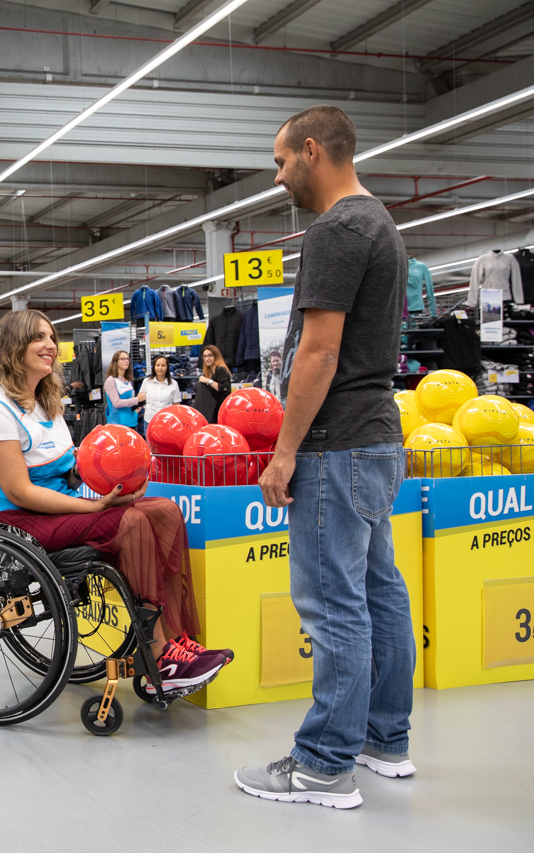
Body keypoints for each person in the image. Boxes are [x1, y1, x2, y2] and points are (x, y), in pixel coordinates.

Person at [236, 105, 413, 809]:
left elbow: (318, 350)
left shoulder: (337, 229)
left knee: (333, 601)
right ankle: (383, 739)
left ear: (313, 150)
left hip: (336, 441)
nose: (278, 175)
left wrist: (284, 453)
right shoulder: (381, 221)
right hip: (377, 435)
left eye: (281, 161)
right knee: (378, 590)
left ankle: (322, 764)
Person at [0, 310, 229, 695]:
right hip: (14, 519)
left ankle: (177, 640)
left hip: (57, 505)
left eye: (52, 337)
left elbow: (74, 471)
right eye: (39, 337)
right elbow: (20, 491)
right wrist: (93, 507)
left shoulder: (45, 404)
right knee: (131, 523)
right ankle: (158, 655)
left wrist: (122, 483)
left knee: (164, 511)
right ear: (13, 347)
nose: (51, 345)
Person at [139, 355, 183, 435]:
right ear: (154, 367)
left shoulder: (173, 384)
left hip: (167, 423)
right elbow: (140, 400)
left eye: (163, 365)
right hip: (149, 421)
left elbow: (176, 405)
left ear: (167, 367)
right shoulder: (146, 382)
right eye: (157, 365)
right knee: (150, 446)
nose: (160, 368)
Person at [103, 349, 144, 431]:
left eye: (128, 359)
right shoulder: (111, 380)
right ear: (116, 362)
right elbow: (116, 403)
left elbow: (129, 402)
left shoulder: (128, 380)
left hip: (132, 423)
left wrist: (137, 409)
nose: (126, 361)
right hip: (118, 424)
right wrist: (137, 400)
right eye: (123, 359)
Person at [194, 345, 232, 423]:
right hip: (210, 409)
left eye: (210, 356)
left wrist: (208, 381)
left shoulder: (221, 370)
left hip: (219, 409)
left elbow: (225, 389)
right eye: (205, 356)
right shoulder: (208, 373)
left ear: (216, 356)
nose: (207, 359)